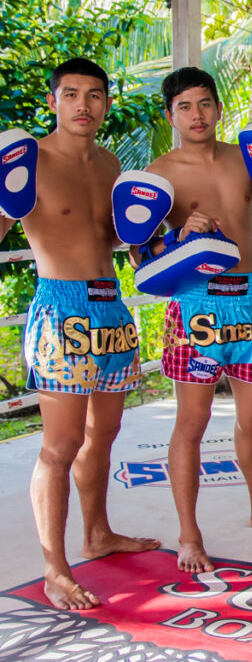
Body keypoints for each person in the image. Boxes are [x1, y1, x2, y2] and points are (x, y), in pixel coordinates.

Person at [0, 58, 160, 610]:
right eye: (71, 94)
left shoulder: (111, 163)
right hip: (60, 306)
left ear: (106, 104)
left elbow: (117, 239)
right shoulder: (28, 162)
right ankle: (54, 568)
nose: (83, 105)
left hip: (110, 309)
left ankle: (98, 532)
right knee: (60, 445)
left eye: (94, 95)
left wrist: (162, 235)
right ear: (53, 101)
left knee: (105, 433)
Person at [139, 67, 252, 574]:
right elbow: (142, 252)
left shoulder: (244, 158)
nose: (197, 114)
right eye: (185, 107)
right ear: (170, 115)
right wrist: (178, 237)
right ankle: (189, 535)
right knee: (192, 422)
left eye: (204, 103)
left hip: (248, 298)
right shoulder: (159, 172)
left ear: (218, 107)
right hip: (195, 302)